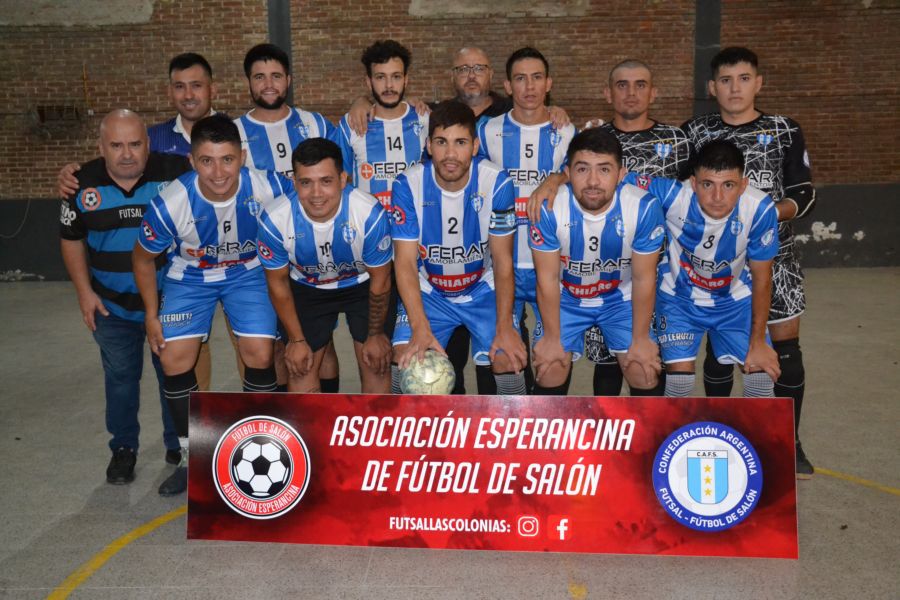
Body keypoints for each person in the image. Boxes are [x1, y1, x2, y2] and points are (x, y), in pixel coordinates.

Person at [133, 114, 287, 496]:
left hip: (248, 273)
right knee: (173, 357)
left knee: (260, 352)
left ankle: (261, 445)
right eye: (206, 160)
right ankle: (191, 456)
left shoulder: (270, 187)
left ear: (243, 156)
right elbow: (141, 258)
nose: (218, 172)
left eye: (227, 160)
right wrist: (151, 315)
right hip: (190, 277)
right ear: (191, 160)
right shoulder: (171, 203)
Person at [682, 47, 816, 477]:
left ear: (759, 83)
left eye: (743, 78)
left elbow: (805, 194)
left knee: (784, 351)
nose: (734, 87)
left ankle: (787, 441)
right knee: (717, 352)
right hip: (707, 264)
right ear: (711, 87)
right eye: (725, 80)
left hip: (772, 260)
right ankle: (717, 435)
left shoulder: (784, 129)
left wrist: (762, 215)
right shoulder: (693, 132)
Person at [57, 53, 221, 393]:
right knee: (185, 364)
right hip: (176, 286)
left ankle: (267, 426)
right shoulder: (155, 138)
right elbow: (113, 159)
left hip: (233, 265)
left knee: (257, 349)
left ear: (212, 89)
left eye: (196, 85)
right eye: (179, 86)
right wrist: (73, 173)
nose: (188, 94)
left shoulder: (235, 131)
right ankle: (191, 438)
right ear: (169, 93)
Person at [59, 109, 190, 485]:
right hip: (110, 306)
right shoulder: (80, 185)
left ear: (148, 145)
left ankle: (177, 444)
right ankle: (123, 449)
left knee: (173, 376)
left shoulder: (177, 172)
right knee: (120, 379)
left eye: (135, 144)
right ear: (101, 147)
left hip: (167, 305)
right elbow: (71, 240)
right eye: (116, 145)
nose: (127, 153)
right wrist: (84, 294)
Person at [390, 100, 527, 395]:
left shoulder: (497, 183)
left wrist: (505, 328)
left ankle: (511, 435)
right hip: (431, 291)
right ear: (428, 145)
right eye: (441, 142)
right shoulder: (407, 184)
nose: (450, 154)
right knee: (405, 358)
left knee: (508, 357)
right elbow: (404, 263)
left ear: (475, 146)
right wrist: (419, 327)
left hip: (482, 288)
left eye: (460, 142)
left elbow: (503, 261)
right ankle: (413, 440)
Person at [635, 140, 781, 398]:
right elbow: (612, 178)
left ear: (743, 185)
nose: (717, 197)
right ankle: (676, 439)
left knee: (761, 378)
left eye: (728, 185)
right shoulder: (675, 195)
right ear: (693, 183)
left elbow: (762, 279)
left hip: (734, 302)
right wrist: (555, 180)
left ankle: (750, 440)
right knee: (679, 385)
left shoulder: (759, 208)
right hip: (679, 301)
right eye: (707, 184)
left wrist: (758, 342)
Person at [235, 43, 341, 392]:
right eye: (260, 77)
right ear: (248, 83)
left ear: (289, 80)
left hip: (316, 256)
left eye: (276, 76)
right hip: (262, 260)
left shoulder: (315, 123)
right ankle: (284, 421)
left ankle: (325, 420)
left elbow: (343, 173)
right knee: (276, 345)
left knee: (321, 343)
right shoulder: (233, 134)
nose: (269, 84)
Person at [530, 128, 664, 395]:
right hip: (567, 298)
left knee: (644, 370)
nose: (593, 181)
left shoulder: (643, 207)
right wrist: (552, 340)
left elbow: (643, 278)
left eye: (604, 170)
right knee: (549, 366)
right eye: (582, 169)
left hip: (620, 298)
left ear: (621, 174)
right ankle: (553, 437)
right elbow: (547, 279)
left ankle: (646, 435)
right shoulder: (549, 207)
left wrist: (640, 340)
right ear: (567, 172)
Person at [258, 138, 393, 393]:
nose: (316, 193)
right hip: (308, 287)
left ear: (343, 180)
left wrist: (375, 335)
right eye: (306, 182)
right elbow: (277, 283)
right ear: (294, 181)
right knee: (301, 366)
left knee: (376, 361)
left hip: (362, 284)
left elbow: (382, 279)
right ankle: (314, 431)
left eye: (326, 181)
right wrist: (296, 340)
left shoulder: (369, 214)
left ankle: (374, 431)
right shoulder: (275, 220)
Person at [477, 47, 576, 392]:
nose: (529, 86)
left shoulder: (565, 130)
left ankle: (550, 434)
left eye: (537, 77)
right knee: (505, 357)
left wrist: (556, 178)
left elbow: (584, 173)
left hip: (550, 264)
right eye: (520, 78)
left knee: (554, 358)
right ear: (507, 85)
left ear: (549, 83)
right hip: (502, 262)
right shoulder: (487, 131)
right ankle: (513, 436)